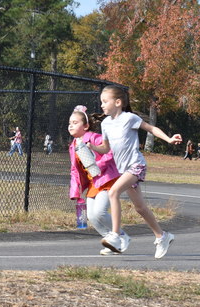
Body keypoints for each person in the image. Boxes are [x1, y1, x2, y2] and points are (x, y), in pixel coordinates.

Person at [86, 85, 182, 259]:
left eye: (105, 101)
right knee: (140, 207)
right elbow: (106, 148)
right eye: (101, 102)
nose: (102, 105)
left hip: (136, 165)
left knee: (113, 192)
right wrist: (93, 147)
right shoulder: (106, 124)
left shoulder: (129, 118)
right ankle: (162, 236)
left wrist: (169, 139)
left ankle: (115, 235)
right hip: (124, 170)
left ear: (118, 102)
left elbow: (151, 128)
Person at [68, 105, 129, 255]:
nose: (71, 125)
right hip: (93, 183)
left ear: (86, 126)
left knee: (100, 212)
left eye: (75, 123)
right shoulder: (73, 146)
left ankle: (121, 236)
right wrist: (75, 191)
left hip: (106, 179)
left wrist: (98, 165)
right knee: (91, 216)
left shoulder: (95, 138)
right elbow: (75, 171)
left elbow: (110, 151)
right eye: (70, 123)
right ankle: (112, 243)